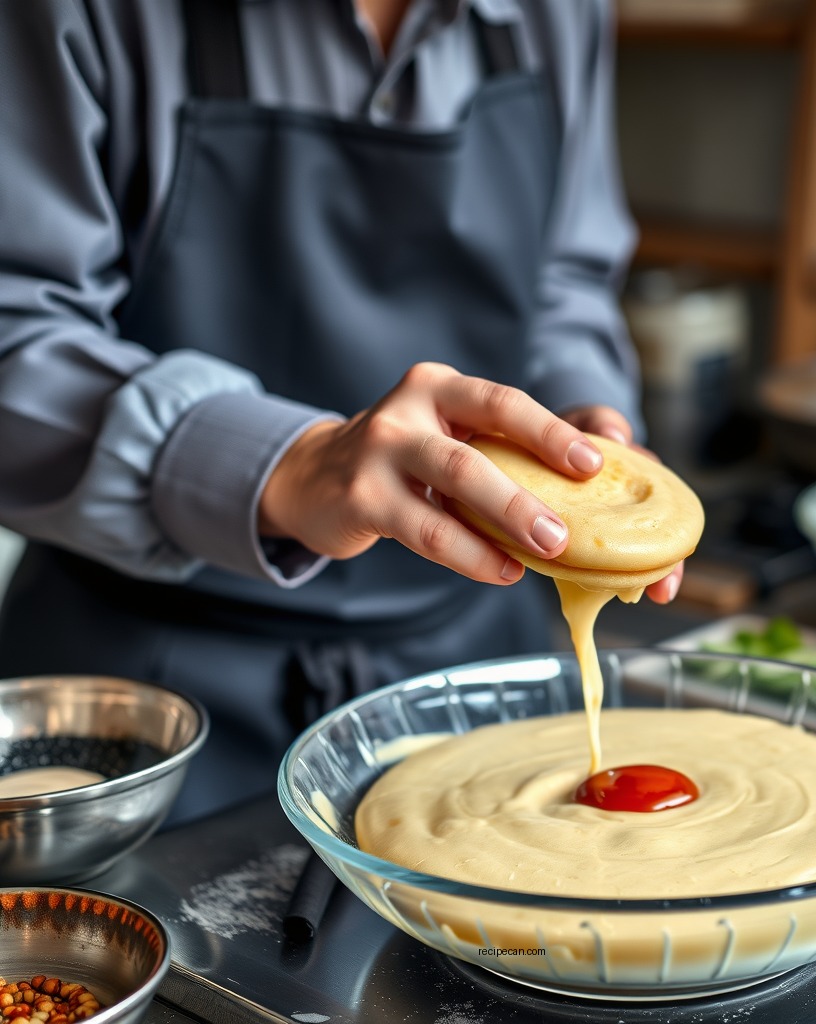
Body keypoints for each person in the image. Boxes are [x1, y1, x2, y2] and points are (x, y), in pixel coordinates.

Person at [0, 0, 683, 823]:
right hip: (148, 708)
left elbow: (565, 279)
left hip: (476, 662)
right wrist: (288, 463)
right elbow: (15, 328)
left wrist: (586, 426)